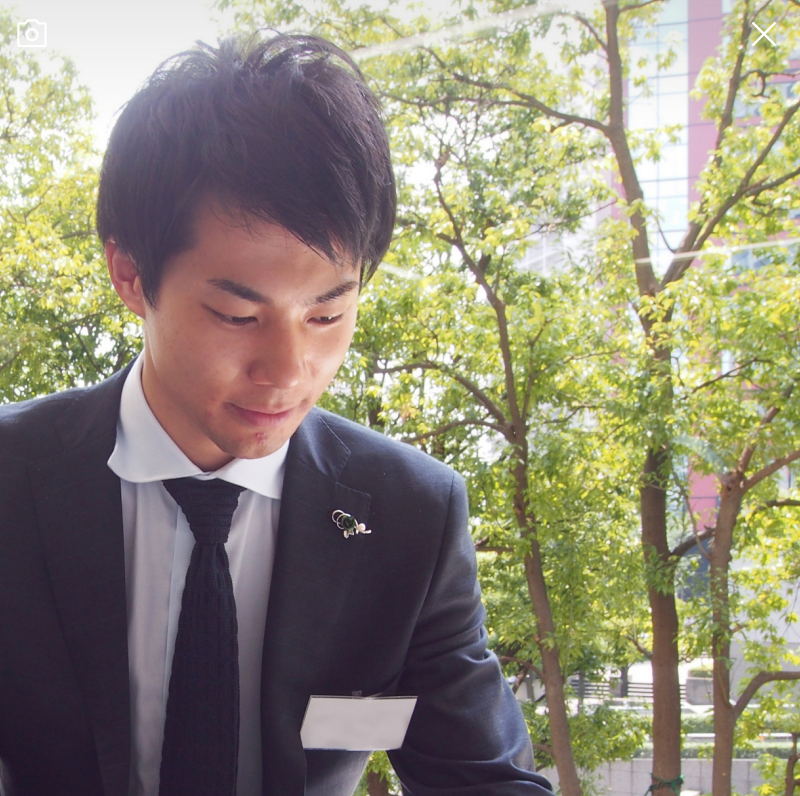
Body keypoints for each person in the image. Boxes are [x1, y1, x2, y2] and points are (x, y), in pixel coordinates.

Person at [0, 32, 554, 796]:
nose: (289, 372)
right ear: (130, 274)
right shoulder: (11, 483)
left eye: (327, 315)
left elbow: (483, 779)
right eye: (237, 315)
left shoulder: (408, 519)